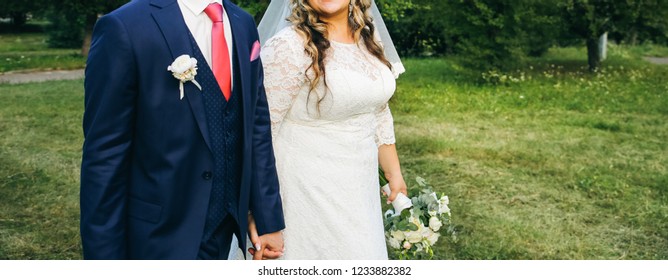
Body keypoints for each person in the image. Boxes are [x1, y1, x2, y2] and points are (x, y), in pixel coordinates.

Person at [80, 0, 285, 260]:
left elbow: (255, 126)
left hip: (222, 231)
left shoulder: (243, 23)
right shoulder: (125, 26)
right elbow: (104, 156)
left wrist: (267, 218)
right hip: (157, 235)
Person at [254, 0, 407, 259]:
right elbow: (259, 134)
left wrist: (394, 174)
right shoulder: (288, 47)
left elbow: (378, 111)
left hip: (359, 191)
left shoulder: (369, 41)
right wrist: (261, 213)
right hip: (305, 192)